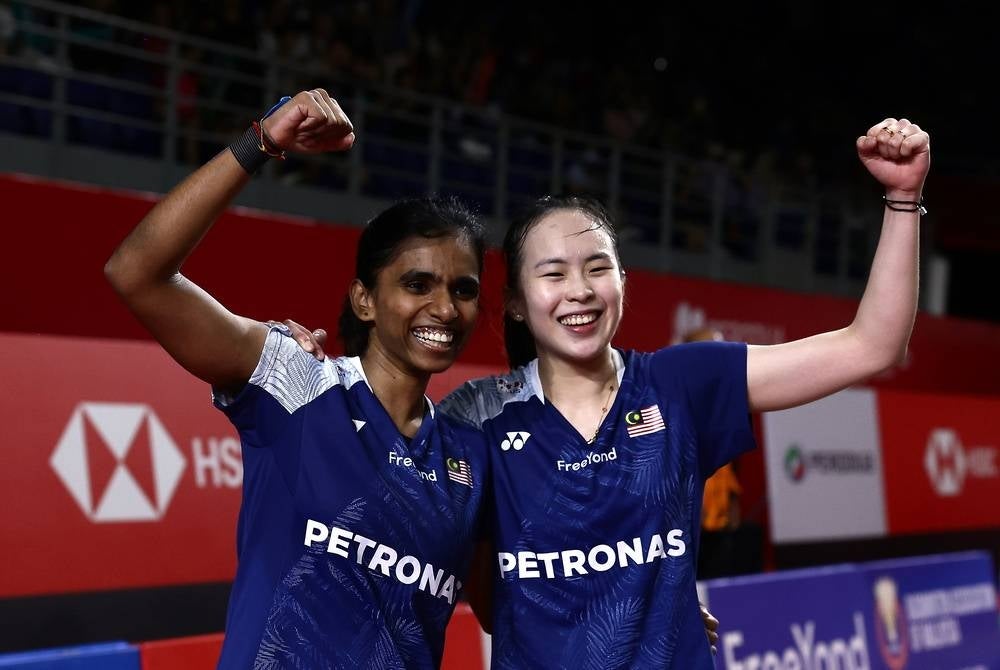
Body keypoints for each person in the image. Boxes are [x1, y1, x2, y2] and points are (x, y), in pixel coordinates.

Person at [282, 115, 927, 667]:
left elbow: (872, 344)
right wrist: (314, 371)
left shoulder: (682, 384)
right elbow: (445, 557)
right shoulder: (474, 419)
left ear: (623, 282)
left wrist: (903, 198)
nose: (580, 291)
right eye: (553, 274)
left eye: (598, 268)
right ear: (516, 303)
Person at [104, 88, 490, 669]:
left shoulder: (472, 458)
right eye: (417, 284)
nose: (444, 308)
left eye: (464, 290)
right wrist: (261, 143)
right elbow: (136, 273)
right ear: (364, 299)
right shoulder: (296, 382)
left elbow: (509, 611)